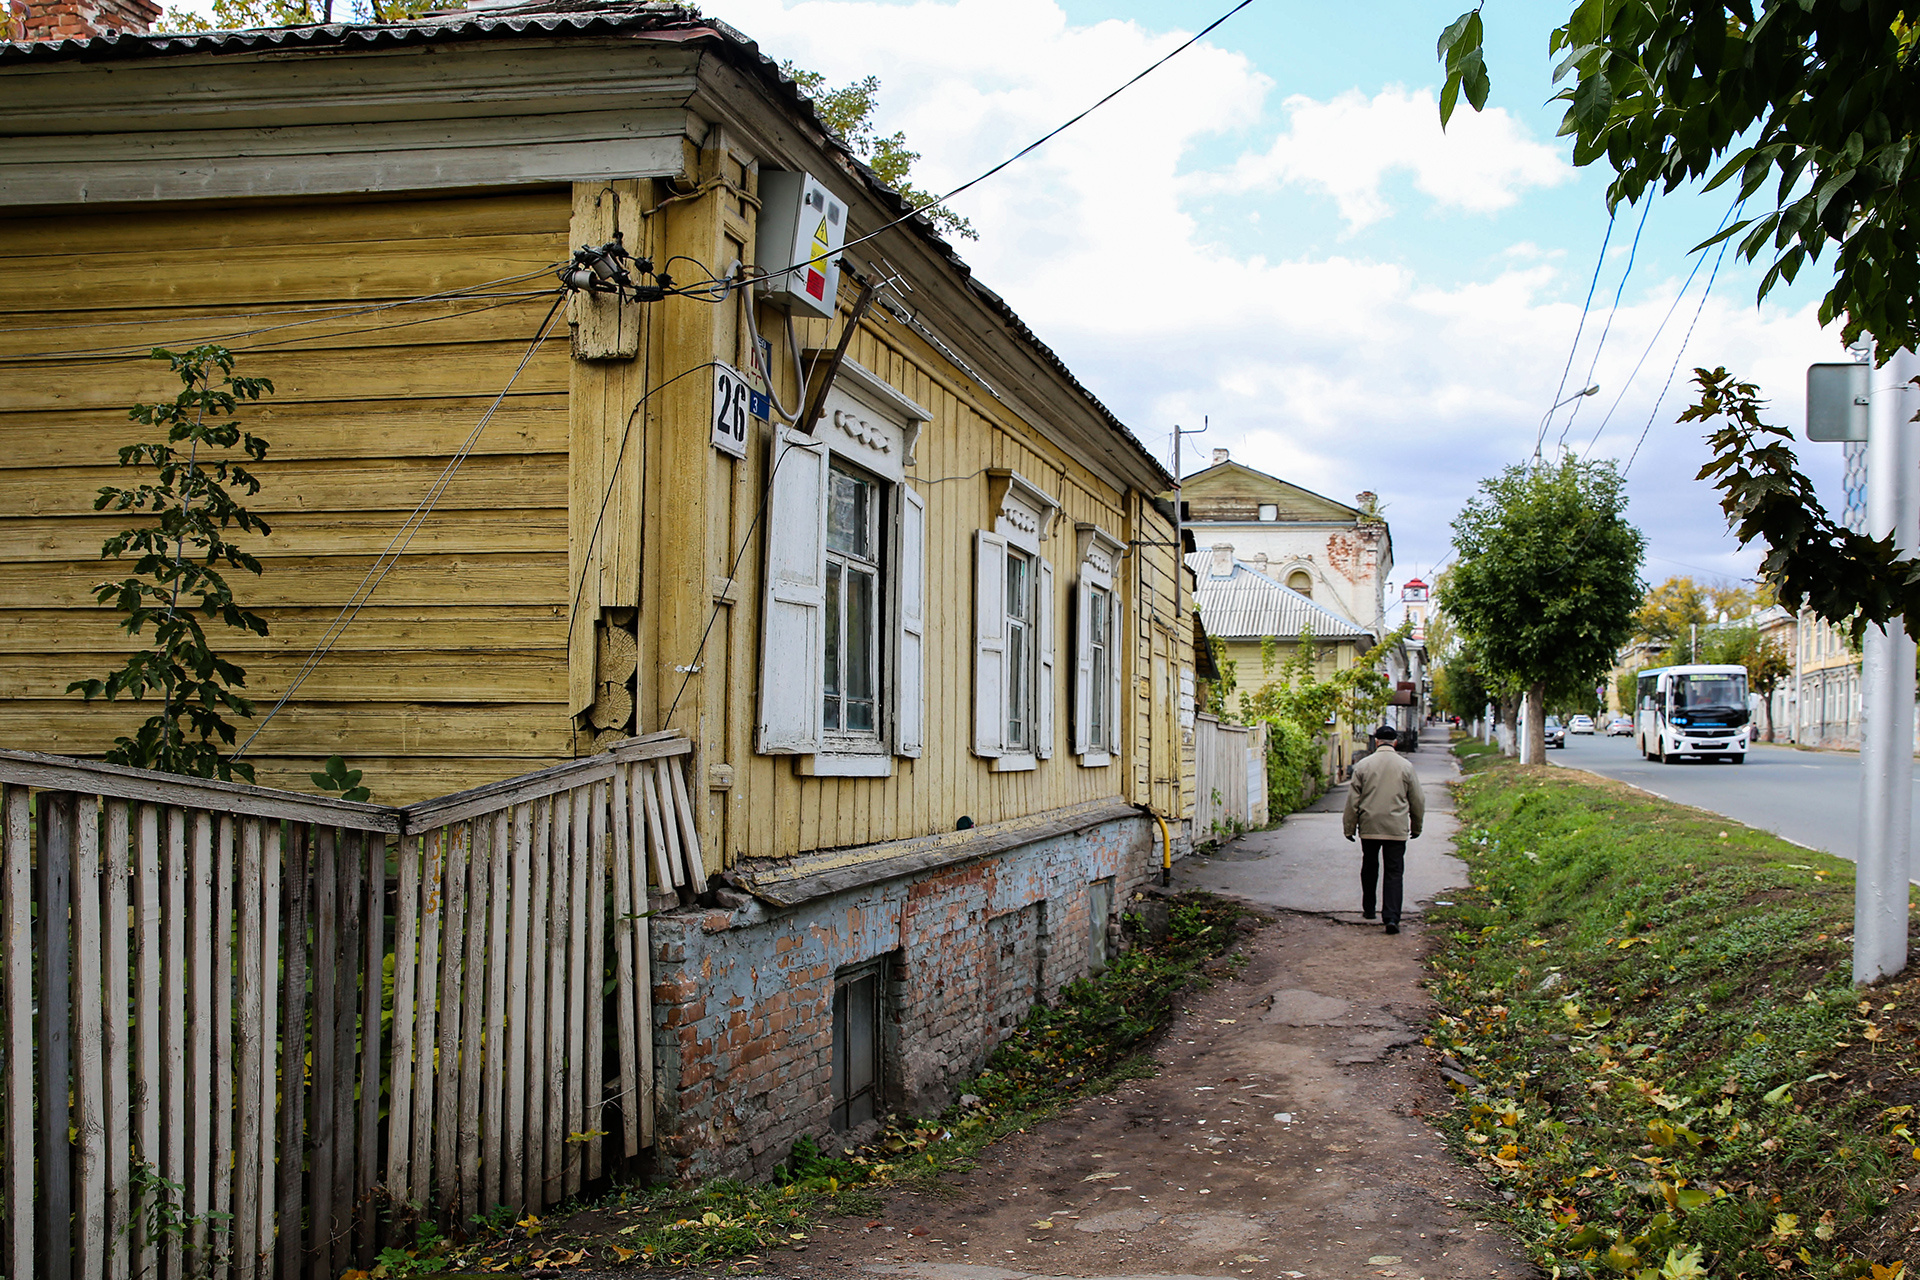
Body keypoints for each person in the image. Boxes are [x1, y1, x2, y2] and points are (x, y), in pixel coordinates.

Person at [1342, 723, 1425, 934]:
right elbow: (1417, 799)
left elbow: (1353, 800)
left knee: (1369, 867)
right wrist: (1416, 826)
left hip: (1369, 826)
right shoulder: (1406, 766)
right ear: (1395, 742)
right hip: (1396, 829)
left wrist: (1349, 828)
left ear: (1376, 741)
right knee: (1394, 872)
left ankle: (1369, 909)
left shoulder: (1363, 766)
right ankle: (1391, 918)